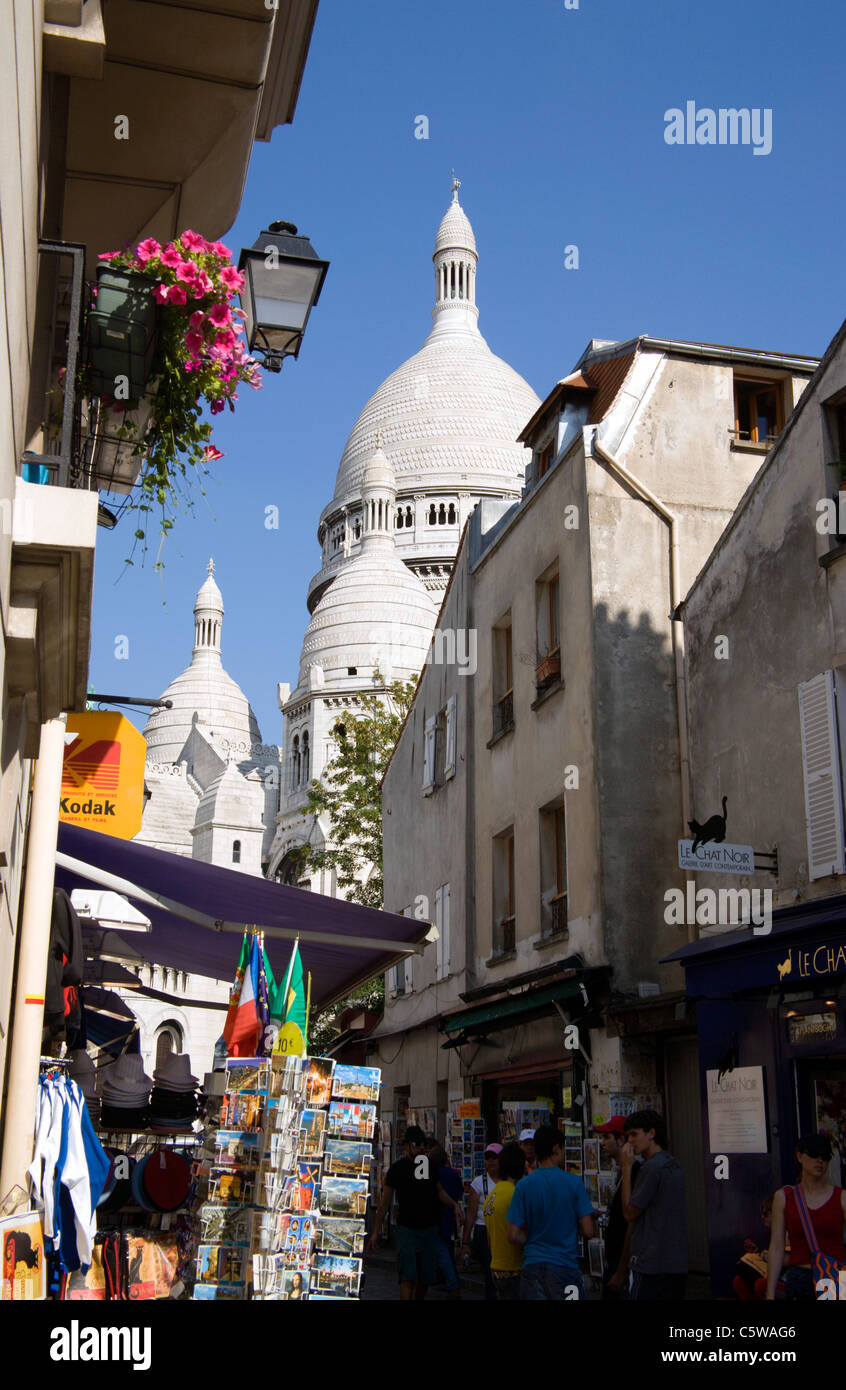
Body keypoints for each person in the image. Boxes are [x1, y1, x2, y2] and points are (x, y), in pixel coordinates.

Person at [367, 1125, 462, 1301]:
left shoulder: (427, 1166)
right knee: (407, 1277)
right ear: (407, 1146)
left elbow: (439, 1191)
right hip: (407, 1229)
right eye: (417, 1144)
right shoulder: (397, 1169)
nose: (421, 1148)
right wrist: (375, 1232)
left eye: (423, 1145)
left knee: (425, 1278)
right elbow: (385, 1203)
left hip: (428, 1228)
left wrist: (453, 1204)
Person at [506, 1125, 595, 1299]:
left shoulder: (523, 1186)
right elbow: (588, 1231)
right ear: (556, 1148)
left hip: (533, 1267)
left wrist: (533, 1237)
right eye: (563, 1148)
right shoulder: (574, 1183)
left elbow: (513, 1235)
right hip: (565, 1267)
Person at [766, 1133, 846, 1301]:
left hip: (833, 1276)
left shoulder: (841, 1197)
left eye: (825, 1156)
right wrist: (770, 1293)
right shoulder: (784, 1197)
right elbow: (776, 1247)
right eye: (814, 1154)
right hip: (799, 1275)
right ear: (800, 1156)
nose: (820, 1161)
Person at [619, 1109, 687, 1301]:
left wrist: (626, 1168)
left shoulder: (651, 1168)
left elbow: (630, 1213)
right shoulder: (674, 1165)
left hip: (649, 1264)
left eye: (634, 1134)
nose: (630, 1141)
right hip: (675, 1263)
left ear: (651, 1133)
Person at [594, 1115, 640, 1298]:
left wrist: (621, 1272)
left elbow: (632, 1225)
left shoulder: (634, 1174)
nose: (602, 1143)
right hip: (614, 1263)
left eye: (606, 1137)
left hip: (624, 1267)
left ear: (621, 1140)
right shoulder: (621, 1173)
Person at [483, 1141, 526, 1299]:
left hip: (496, 1266)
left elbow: (490, 1239)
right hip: (513, 1268)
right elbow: (516, 1234)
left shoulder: (491, 1196)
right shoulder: (514, 1194)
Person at [460, 1142, 501, 1300]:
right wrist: (465, 1242)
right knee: (490, 1273)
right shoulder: (478, 1183)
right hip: (483, 1230)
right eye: (488, 1158)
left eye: (494, 1157)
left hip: (502, 1230)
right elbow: (470, 1214)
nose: (491, 1161)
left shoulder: (508, 1181)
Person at [426, 1139, 463, 1299]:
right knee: (446, 1250)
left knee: (442, 1253)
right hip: (449, 1218)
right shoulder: (453, 1174)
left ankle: (452, 1284)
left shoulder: (431, 1174)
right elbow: (460, 1192)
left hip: (435, 1218)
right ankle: (449, 1282)